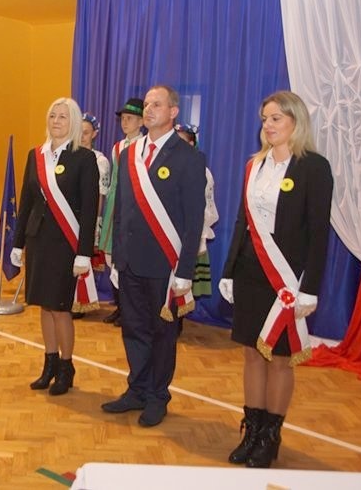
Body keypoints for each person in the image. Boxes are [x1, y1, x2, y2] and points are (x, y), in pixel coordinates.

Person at [219, 91, 333, 469]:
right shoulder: (255, 165)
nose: (267, 125)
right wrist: (229, 271)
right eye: (265, 118)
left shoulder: (313, 167)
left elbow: (319, 233)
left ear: (295, 122)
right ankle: (251, 430)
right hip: (250, 274)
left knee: (280, 359)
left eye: (275, 118)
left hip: (287, 281)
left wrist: (310, 288)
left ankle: (270, 436)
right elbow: (242, 222)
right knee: (253, 353)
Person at [102, 85, 206, 428]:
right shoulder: (130, 153)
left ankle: (158, 396)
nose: (148, 110)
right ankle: (137, 389)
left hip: (165, 264)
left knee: (162, 333)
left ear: (173, 112)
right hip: (130, 261)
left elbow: (194, 220)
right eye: (147, 104)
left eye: (156, 104)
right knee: (133, 329)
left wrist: (185, 271)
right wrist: (116, 255)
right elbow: (121, 209)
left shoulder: (188, 157)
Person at [10, 97, 99, 396]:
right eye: (52, 115)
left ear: (73, 122)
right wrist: (18, 243)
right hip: (38, 241)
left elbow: (89, 210)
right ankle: (48, 364)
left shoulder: (84, 159)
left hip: (66, 244)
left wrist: (84, 252)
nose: (56, 121)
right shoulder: (35, 156)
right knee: (43, 305)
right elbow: (26, 203)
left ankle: (65, 367)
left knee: (60, 308)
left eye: (63, 116)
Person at [98, 97, 145, 326]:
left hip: (132, 209)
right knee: (112, 257)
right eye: (123, 119)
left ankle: (131, 310)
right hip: (114, 207)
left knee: (128, 260)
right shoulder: (117, 147)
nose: (125, 123)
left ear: (141, 122)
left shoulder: (144, 146)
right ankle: (119, 306)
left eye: (130, 119)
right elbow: (112, 182)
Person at [72, 112, 110, 319]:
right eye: (79, 132)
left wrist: (92, 221)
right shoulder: (69, 154)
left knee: (83, 258)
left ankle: (82, 302)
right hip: (69, 216)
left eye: (86, 132)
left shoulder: (100, 161)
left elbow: (99, 195)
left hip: (87, 217)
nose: (81, 136)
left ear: (94, 134)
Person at [176, 123, 218, 297]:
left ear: (191, 144)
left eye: (182, 142)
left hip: (189, 234)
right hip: (170, 232)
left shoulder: (202, 171)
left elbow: (206, 205)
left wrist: (198, 233)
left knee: (183, 286)